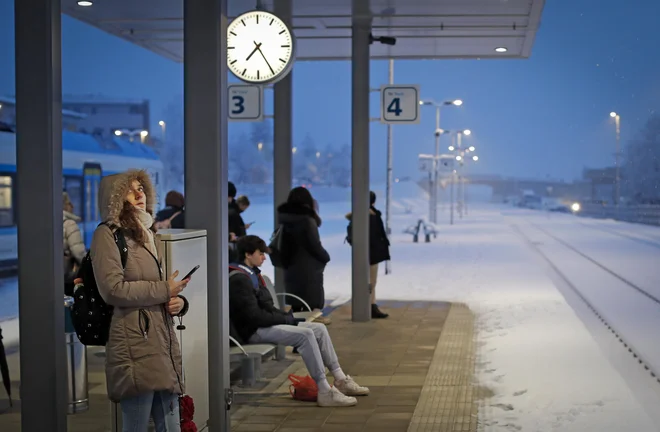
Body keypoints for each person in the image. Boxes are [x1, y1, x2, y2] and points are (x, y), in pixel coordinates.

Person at [90, 169, 191, 431]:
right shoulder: (107, 234)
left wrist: (177, 302)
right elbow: (112, 290)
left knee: (170, 425)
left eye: (142, 188)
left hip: (159, 338)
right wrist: (163, 290)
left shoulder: (147, 233)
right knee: (136, 424)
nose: (139, 194)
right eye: (130, 189)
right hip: (133, 342)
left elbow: (159, 289)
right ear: (115, 198)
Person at [228, 235, 369, 407]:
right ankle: (324, 390)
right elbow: (254, 317)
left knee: (319, 329)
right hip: (252, 332)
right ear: (248, 254)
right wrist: (285, 318)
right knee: (306, 335)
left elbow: (266, 307)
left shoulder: (252, 275)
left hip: (262, 325)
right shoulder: (239, 279)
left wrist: (286, 318)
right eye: (261, 253)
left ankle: (340, 379)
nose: (264, 257)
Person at [277, 187, 330, 323]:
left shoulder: (284, 219)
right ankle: (314, 321)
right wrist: (325, 257)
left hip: (291, 266)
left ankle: (297, 322)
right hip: (309, 267)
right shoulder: (307, 220)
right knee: (312, 299)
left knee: (296, 301)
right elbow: (314, 245)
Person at [345, 191, 391, 319]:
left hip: (364, 253)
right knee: (371, 281)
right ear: (373, 202)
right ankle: (370, 306)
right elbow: (376, 236)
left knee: (369, 281)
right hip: (372, 254)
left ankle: (371, 305)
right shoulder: (372, 216)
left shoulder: (358, 216)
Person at [63, 191, 86, 295]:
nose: (72, 206)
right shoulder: (69, 224)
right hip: (67, 276)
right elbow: (78, 252)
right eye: (69, 203)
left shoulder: (48, 222)